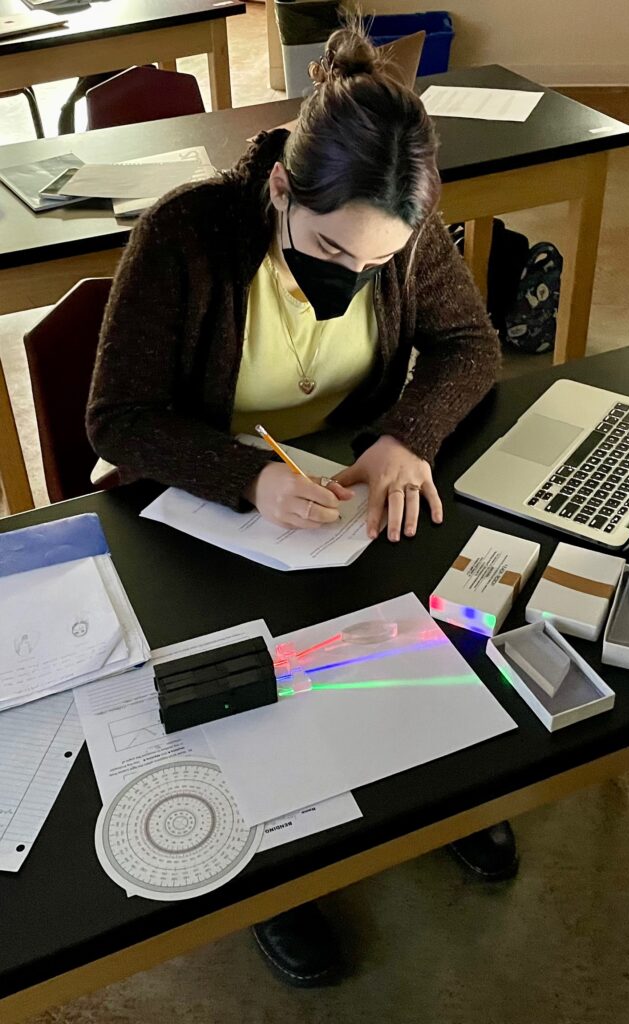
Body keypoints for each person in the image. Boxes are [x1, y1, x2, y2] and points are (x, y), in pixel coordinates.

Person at [87, 26, 519, 986]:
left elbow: (470, 346)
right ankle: (281, 874)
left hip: (346, 480)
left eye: (378, 263)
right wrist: (250, 478)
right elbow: (117, 419)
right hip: (205, 497)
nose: (352, 278)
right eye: (329, 250)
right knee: (254, 681)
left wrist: (404, 437)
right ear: (281, 186)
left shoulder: (397, 230)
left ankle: (435, 794)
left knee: (411, 611)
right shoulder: (188, 233)